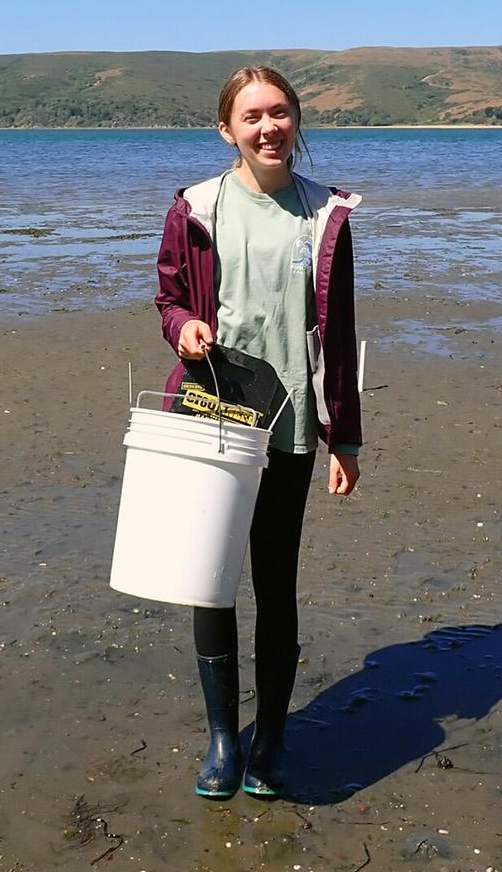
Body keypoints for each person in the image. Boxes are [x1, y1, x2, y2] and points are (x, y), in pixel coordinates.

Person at [155, 65, 363, 799]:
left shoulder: (325, 213)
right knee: (210, 582)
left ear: (297, 121)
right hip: (215, 419)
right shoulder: (196, 207)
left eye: (280, 113)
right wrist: (183, 330)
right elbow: (169, 297)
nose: (269, 127)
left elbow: (340, 336)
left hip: (293, 427)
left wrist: (348, 438)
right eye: (253, 117)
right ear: (227, 130)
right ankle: (221, 741)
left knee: (277, 584)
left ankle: (270, 738)